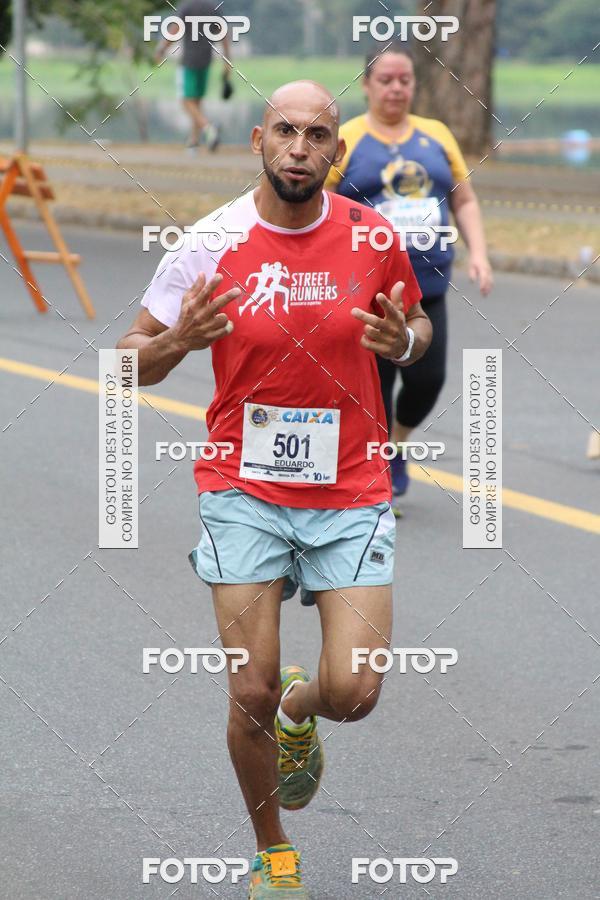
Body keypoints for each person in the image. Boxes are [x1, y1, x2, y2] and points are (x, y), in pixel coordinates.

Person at [117, 81, 431, 897]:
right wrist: (180, 339)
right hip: (242, 486)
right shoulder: (211, 240)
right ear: (258, 139)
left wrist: (408, 338)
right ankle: (273, 851)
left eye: (317, 134)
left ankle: (302, 712)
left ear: (338, 149)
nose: (299, 146)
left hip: (352, 485)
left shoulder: (372, 237)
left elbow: (418, 323)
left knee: (356, 691)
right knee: (247, 684)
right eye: (285, 131)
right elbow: (125, 361)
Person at [326, 42, 492, 513]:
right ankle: (373, 477)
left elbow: (464, 199)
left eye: (405, 80)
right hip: (367, 292)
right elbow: (322, 206)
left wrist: (478, 252)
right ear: (366, 86)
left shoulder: (436, 135)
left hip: (427, 284)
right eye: (386, 80)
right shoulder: (349, 139)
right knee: (373, 388)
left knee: (427, 380)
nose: (397, 89)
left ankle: (394, 447)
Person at [155, 0, 232, 151]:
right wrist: (227, 59)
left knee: (186, 101)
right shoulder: (212, 7)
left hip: (189, 61)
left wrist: (161, 49)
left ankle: (208, 128)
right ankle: (194, 140)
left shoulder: (187, 7)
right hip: (206, 60)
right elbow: (224, 33)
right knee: (196, 101)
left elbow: (175, 30)